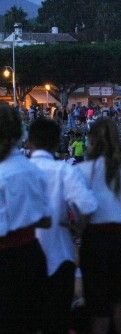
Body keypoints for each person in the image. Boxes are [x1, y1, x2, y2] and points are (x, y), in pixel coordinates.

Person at [28, 118, 98, 334]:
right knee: (58, 322)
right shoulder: (63, 170)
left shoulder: (17, 170)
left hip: (24, 255)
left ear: (29, 142)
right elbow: (88, 205)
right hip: (61, 254)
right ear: (57, 142)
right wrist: (78, 228)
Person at [77, 118, 121, 334]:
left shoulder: (83, 170)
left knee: (99, 312)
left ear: (91, 140)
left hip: (96, 241)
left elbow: (81, 212)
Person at [0, 106, 52, 333]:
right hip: (32, 254)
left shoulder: (3, 174)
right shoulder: (33, 170)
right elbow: (46, 219)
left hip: (7, 260)